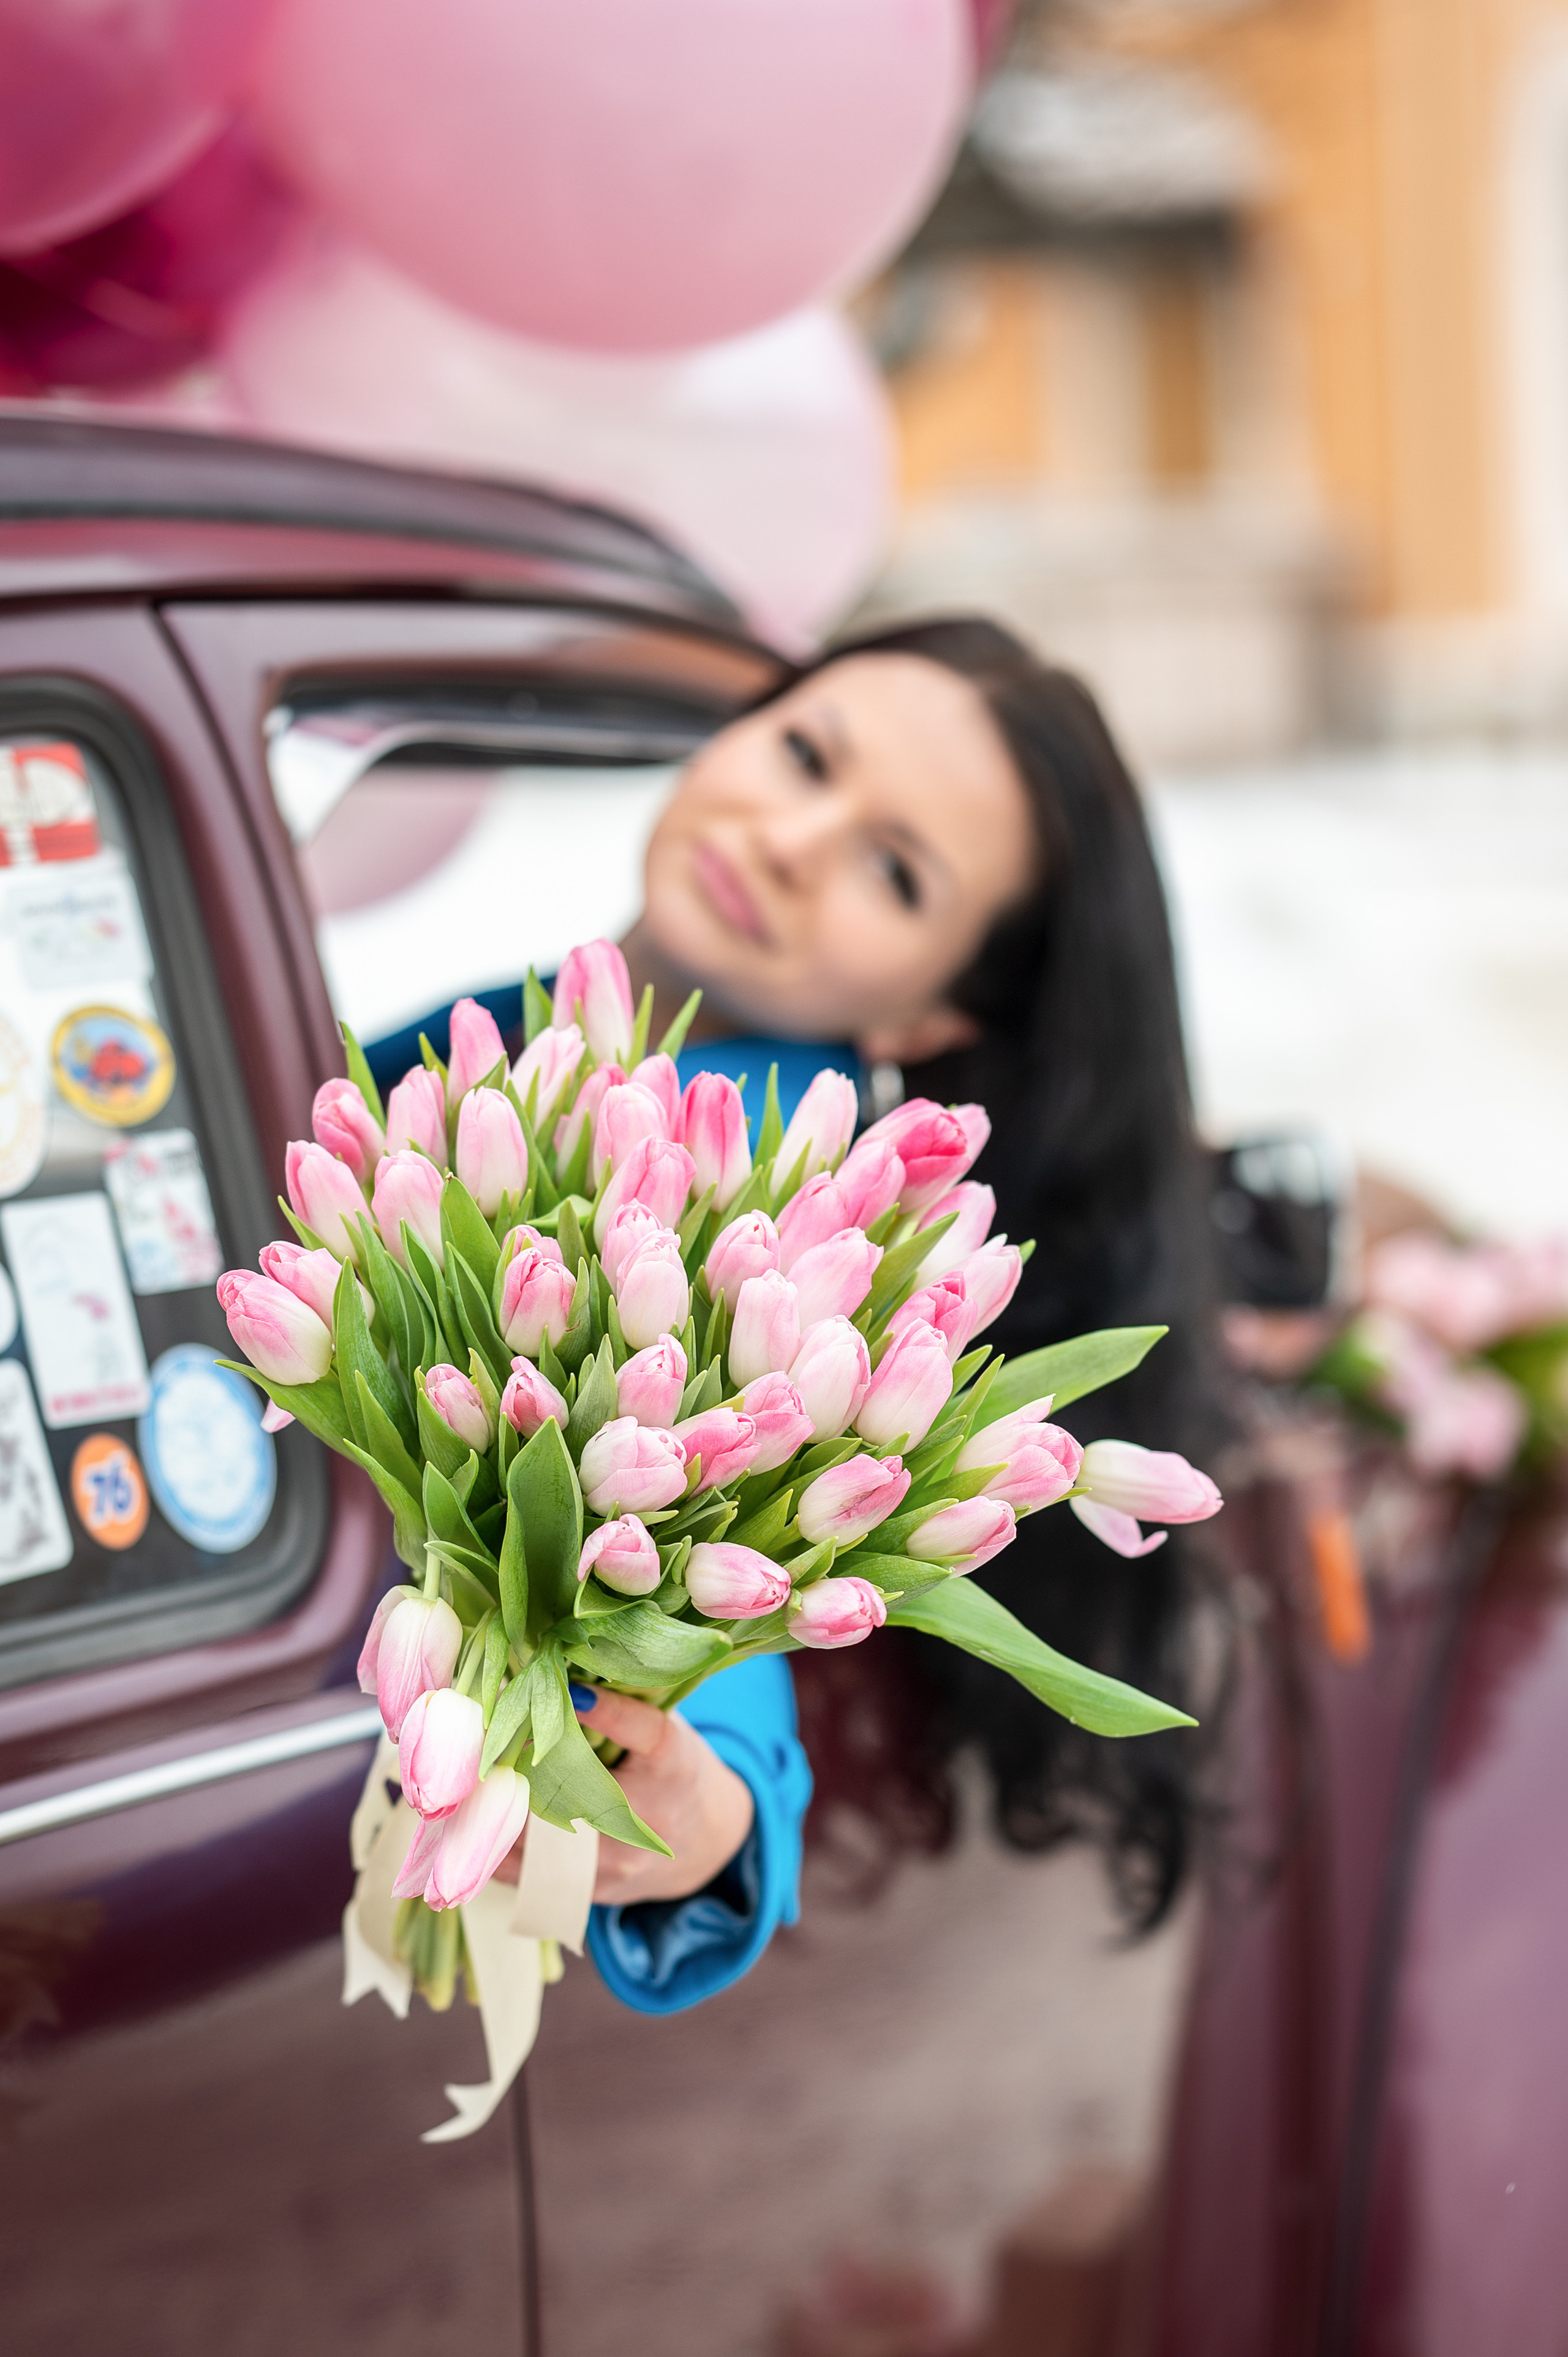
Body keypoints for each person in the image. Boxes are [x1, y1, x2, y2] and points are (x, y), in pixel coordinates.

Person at [364, 615, 1221, 2011]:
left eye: (894, 869)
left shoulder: (783, 1201)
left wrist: (720, 1812)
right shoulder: (531, 1033)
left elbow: (727, 1505)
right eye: (806, 754)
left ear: (934, 1016)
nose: (790, 840)